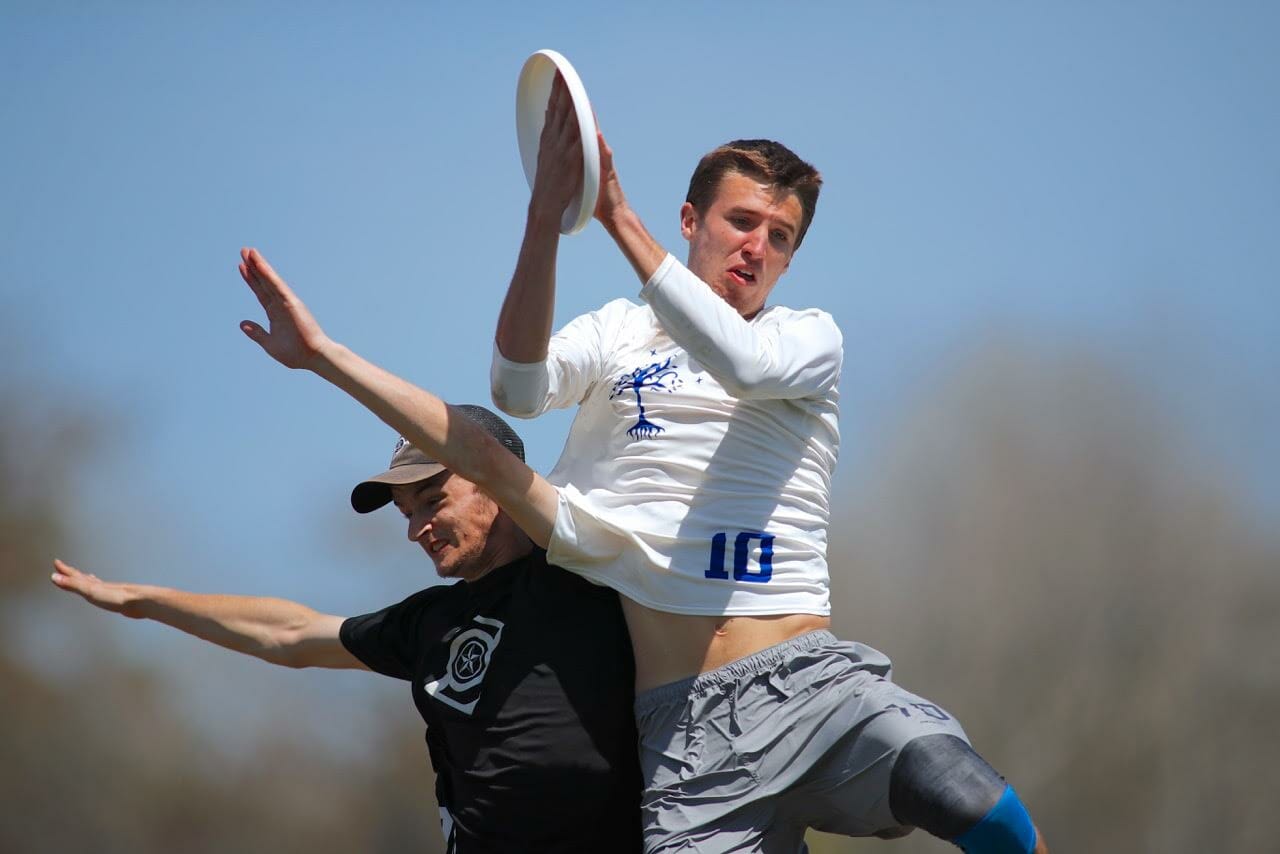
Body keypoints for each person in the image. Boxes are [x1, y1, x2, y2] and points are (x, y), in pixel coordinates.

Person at [484, 77, 1049, 853]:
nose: (757, 246)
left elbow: (742, 363)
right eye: (741, 221)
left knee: (983, 809)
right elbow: (515, 388)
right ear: (691, 221)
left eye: (779, 236)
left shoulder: (806, 339)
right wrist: (544, 223)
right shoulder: (617, 330)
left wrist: (617, 216)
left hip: (812, 687)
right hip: (686, 734)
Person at [51, 405, 643, 854]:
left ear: (499, 479)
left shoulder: (585, 566)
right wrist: (147, 601)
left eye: (432, 501)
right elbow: (290, 634)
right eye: (406, 513)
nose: (416, 530)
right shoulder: (429, 623)